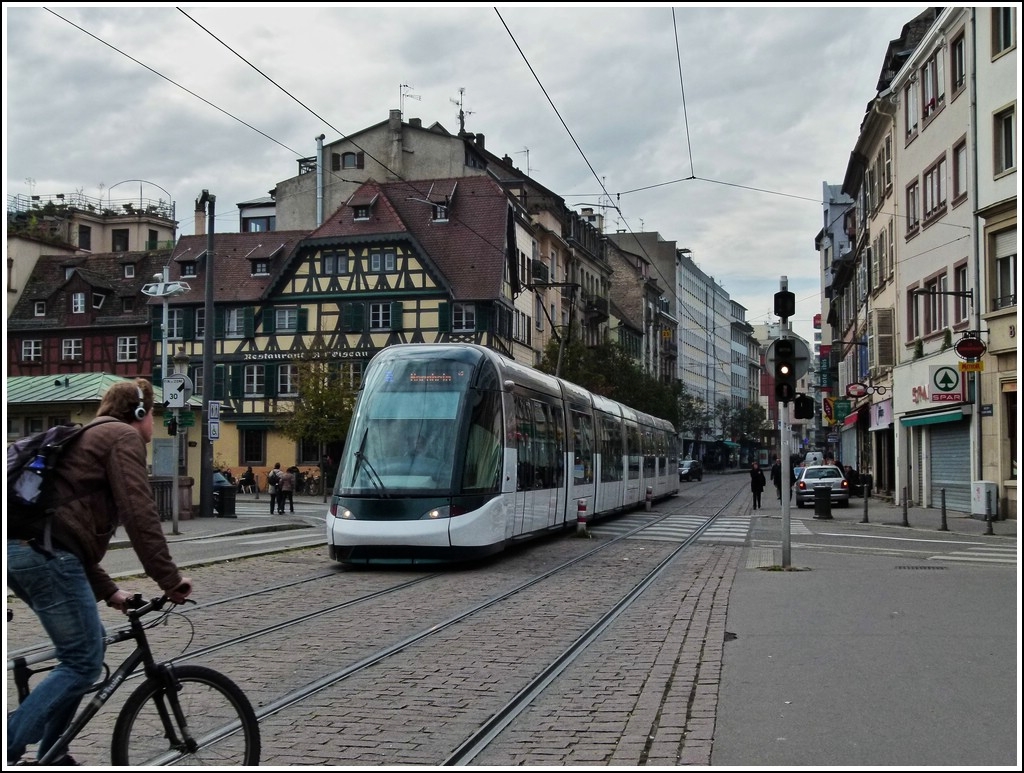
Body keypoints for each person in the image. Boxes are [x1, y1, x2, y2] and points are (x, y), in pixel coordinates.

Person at [6, 378, 193, 766]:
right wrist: (169, 580)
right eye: (152, 414)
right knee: (84, 661)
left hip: (25, 551)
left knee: (81, 653)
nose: (152, 424)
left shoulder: (88, 436)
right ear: (139, 413)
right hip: (44, 555)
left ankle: (53, 756)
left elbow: (66, 529)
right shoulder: (122, 436)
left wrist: (110, 592)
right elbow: (139, 513)